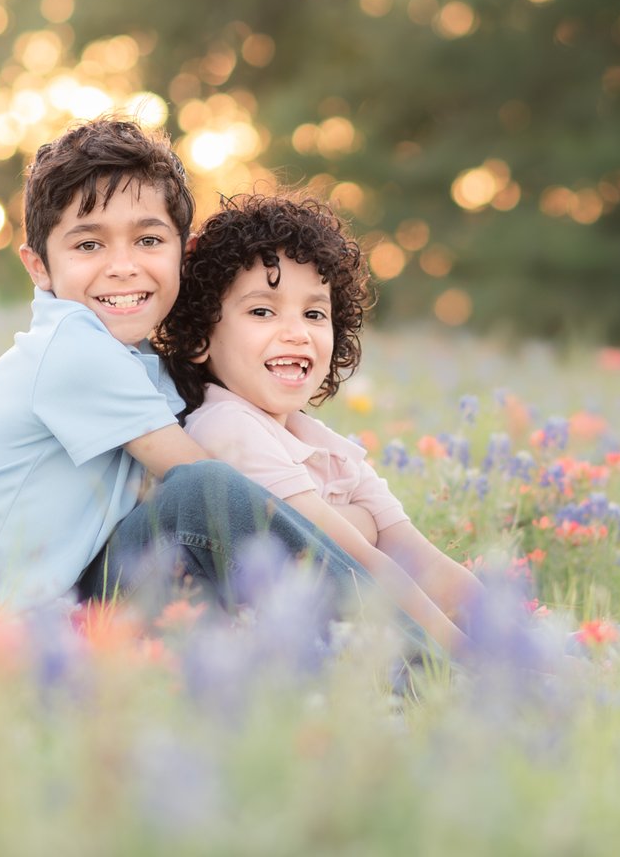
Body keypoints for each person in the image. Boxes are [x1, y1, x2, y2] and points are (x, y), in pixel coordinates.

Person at [0, 119, 457, 659]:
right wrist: (350, 528)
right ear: (38, 266)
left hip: (52, 622)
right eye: (88, 246)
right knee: (202, 491)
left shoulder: (138, 366)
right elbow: (231, 500)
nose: (122, 266)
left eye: (147, 239)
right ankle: (436, 666)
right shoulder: (69, 346)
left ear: (181, 255)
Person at [157, 192, 481, 631]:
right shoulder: (225, 427)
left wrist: (518, 634)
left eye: (313, 313)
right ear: (198, 337)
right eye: (261, 311)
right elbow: (358, 565)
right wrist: (469, 658)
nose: (296, 333)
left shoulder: (318, 442)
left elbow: (417, 554)